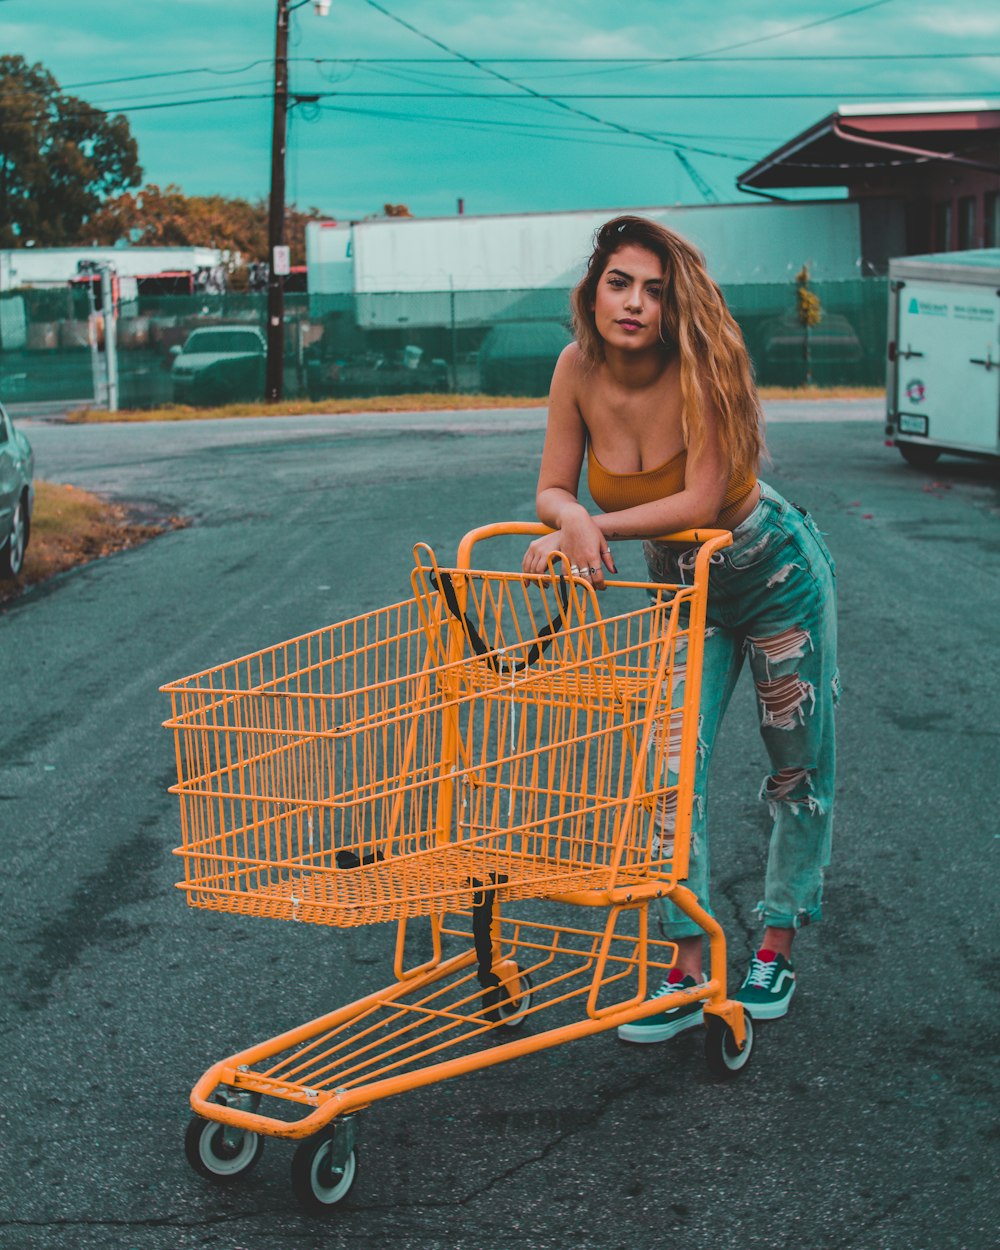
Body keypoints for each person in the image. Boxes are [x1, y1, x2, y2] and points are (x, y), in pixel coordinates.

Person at [522, 215, 839, 1042]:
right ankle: (690, 957)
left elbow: (701, 503)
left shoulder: (701, 369)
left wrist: (590, 526)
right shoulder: (573, 369)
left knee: (795, 766)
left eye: (655, 291)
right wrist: (574, 522)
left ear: (675, 306)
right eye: (619, 282)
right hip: (683, 587)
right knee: (667, 772)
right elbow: (552, 488)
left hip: (772, 575)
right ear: (592, 288)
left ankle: (774, 943)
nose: (633, 304)